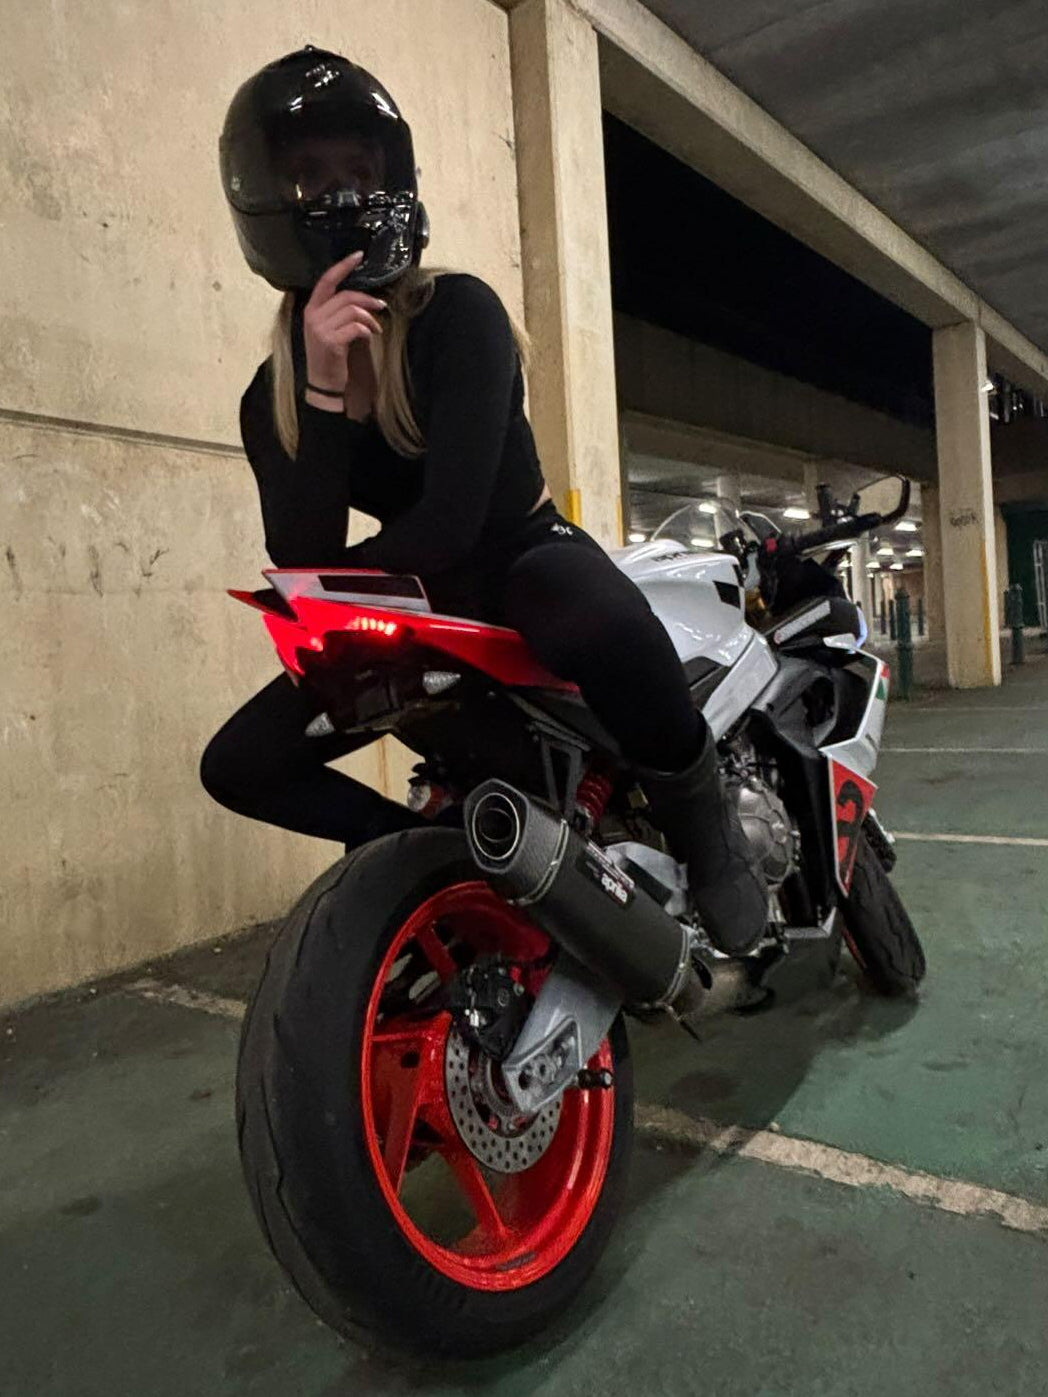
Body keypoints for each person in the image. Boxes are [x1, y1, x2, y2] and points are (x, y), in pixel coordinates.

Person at [201, 45, 767, 956]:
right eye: (310, 175)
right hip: (421, 595)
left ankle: (705, 829)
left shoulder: (460, 314)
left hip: (519, 551)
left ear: (394, 178)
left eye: (359, 171)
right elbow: (303, 553)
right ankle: (426, 861)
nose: (341, 195)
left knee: (578, 604)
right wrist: (323, 385)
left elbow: (454, 522)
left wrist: (328, 584)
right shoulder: (273, 397)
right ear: (269, 198)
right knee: (237, 763)